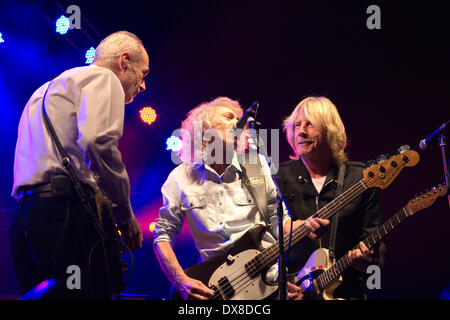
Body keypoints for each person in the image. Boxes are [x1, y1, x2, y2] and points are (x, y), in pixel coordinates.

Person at [10, 31, 147, 299]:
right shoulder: (105, 77)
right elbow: (98, 142)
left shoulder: (43, 91)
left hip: (26, 216)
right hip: (65, 212)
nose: (143, 86)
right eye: (144, 73)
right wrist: (124, 213)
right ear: (124, 61)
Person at [153, 97, 329, 300]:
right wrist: (181, 280)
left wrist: (306, 226)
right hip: (217, 289)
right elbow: (163, 236)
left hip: (267, 283)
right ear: (205, 130)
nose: (238, 122)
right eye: (229, 117)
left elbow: (280, 223)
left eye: (239, 118)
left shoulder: (258, 165)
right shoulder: (180, 178)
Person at [276, 96, 386, 300]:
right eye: (297, 125)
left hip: (346, 293)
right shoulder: (278, 178)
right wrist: (278, 287)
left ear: (330, 130)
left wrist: (370, 261)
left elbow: (375, 243)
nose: (300, 131)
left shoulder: (361, 177)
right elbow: (266, 239)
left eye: (310, 124)